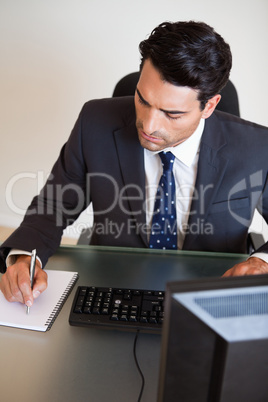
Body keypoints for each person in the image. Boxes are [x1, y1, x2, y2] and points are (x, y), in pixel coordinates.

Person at [1, 20, 268, 308]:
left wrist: (262, 262)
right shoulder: (95, 122)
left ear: (210, 106)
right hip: (111, 292)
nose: (149, 125)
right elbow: (54, 204)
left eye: (171, 113)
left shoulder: (256, 147)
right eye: (142, 99)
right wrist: (24, 255)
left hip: (210, 297)